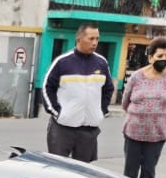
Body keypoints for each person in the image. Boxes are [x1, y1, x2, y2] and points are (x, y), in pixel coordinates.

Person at [42, 24, 114, 163]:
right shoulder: (62, 62)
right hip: (63, 127)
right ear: (79, 39)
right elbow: (47, 87)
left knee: (84, 171)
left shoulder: (101, 63)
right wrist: (57, 112)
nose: (95, 43)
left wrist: (101, 111)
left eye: (97, 39)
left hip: (89, 129)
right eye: (91, 38)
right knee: (58, 167)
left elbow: (108, 89)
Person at [120, 37, 166, 178]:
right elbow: (125, 102)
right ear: (150, 57)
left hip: (157, 134)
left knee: (148, 172)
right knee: (130, 173)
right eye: (160, 56)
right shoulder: (137, 76)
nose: (164, 59)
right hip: (134, 133)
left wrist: (157, 113)